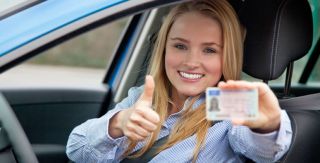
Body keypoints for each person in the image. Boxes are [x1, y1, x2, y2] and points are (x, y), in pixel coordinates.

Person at [66, 0, 292, 162]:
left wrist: (268, 127)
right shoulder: (142, 97)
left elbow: (265, 151)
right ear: (164, 48)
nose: (192, 62)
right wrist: (118, 124)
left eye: (210, 50)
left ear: (227, 57)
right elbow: (76, 150)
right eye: (180, 46)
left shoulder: (227, 103)